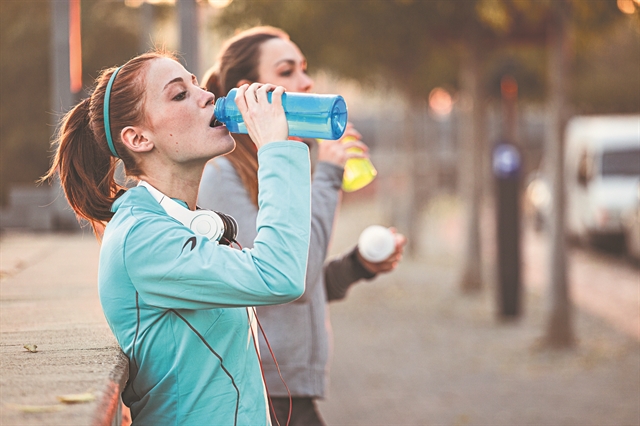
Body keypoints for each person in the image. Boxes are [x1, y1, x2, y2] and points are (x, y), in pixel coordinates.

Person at [41, 50, 314, 425]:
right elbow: (278, 275)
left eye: (196, 84)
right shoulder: (143, 238)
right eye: (179, 94)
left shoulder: (175, 222)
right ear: (137, 138)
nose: (206, 97)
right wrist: (275, 151)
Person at [199, 26, 407, 426]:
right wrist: (328, 175)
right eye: (287, 70)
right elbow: (287, 282)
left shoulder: (276, 170)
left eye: (304, 69)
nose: (306, 82)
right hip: (264, 393)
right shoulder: (222, 176)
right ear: (250, 92)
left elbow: (304, 284)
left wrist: (359, 265)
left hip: (289, 392)